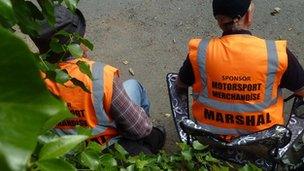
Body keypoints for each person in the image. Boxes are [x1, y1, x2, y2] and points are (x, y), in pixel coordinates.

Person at [30, 5, 165, 155]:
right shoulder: (102, 75)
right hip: (105, 147)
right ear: (75, 40)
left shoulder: (29, 76)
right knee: (134, 87)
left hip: (65, 150)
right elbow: (139, 129)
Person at [177, 0, 304, 136]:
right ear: (248, 15)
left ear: (219, 22)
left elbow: (180, 84)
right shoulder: (276, 53)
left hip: (209, 136)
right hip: (262, 138)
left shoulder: (200, 52)